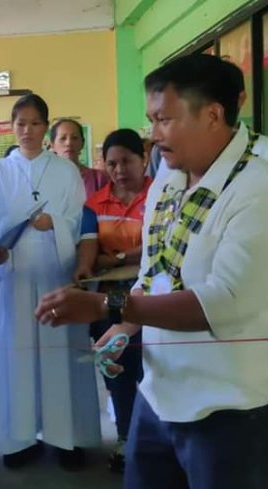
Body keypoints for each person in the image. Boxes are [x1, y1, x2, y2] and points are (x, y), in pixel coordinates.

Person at [35, 53, 268, 489]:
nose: (153, 136)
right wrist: (123, 328)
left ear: (213, 114)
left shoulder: (259, 185)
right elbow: (155, 272)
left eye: (164, 120)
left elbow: (225, 302)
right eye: (151, 121)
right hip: (158, 394)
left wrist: (105, 302)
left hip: (228, 408)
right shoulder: (170, 180)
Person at [0, 94, 100, 471]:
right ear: (11, 127)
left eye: (34, 123)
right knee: (18, 357)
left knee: (60, 354)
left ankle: (66, 439)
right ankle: (19, 440)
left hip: (56, 274)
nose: (27, 131)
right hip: (16, 278)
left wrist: (56, 225)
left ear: (46, 127)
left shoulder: (64, 172)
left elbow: (78, 222)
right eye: (20, 124)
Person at [79, 128, 152, 472]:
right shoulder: (94, 204)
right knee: (118, 370)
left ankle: (157, 442)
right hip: (110, 298)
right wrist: (128, 256)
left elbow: (157, 251)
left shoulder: (161, 196)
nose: (120, 169)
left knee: (152, 369)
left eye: (127, 161)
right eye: (112, 163)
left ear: (144, 159)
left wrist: (120, 257)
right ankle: (126, 440)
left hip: (154, 294)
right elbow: (91, 256)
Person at [51, 118, 108, 198]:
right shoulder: (44, 180)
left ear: (82, 143)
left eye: (74, 138)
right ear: (53, 145)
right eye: (63, 138)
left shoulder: (98, 178)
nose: (69, 143)